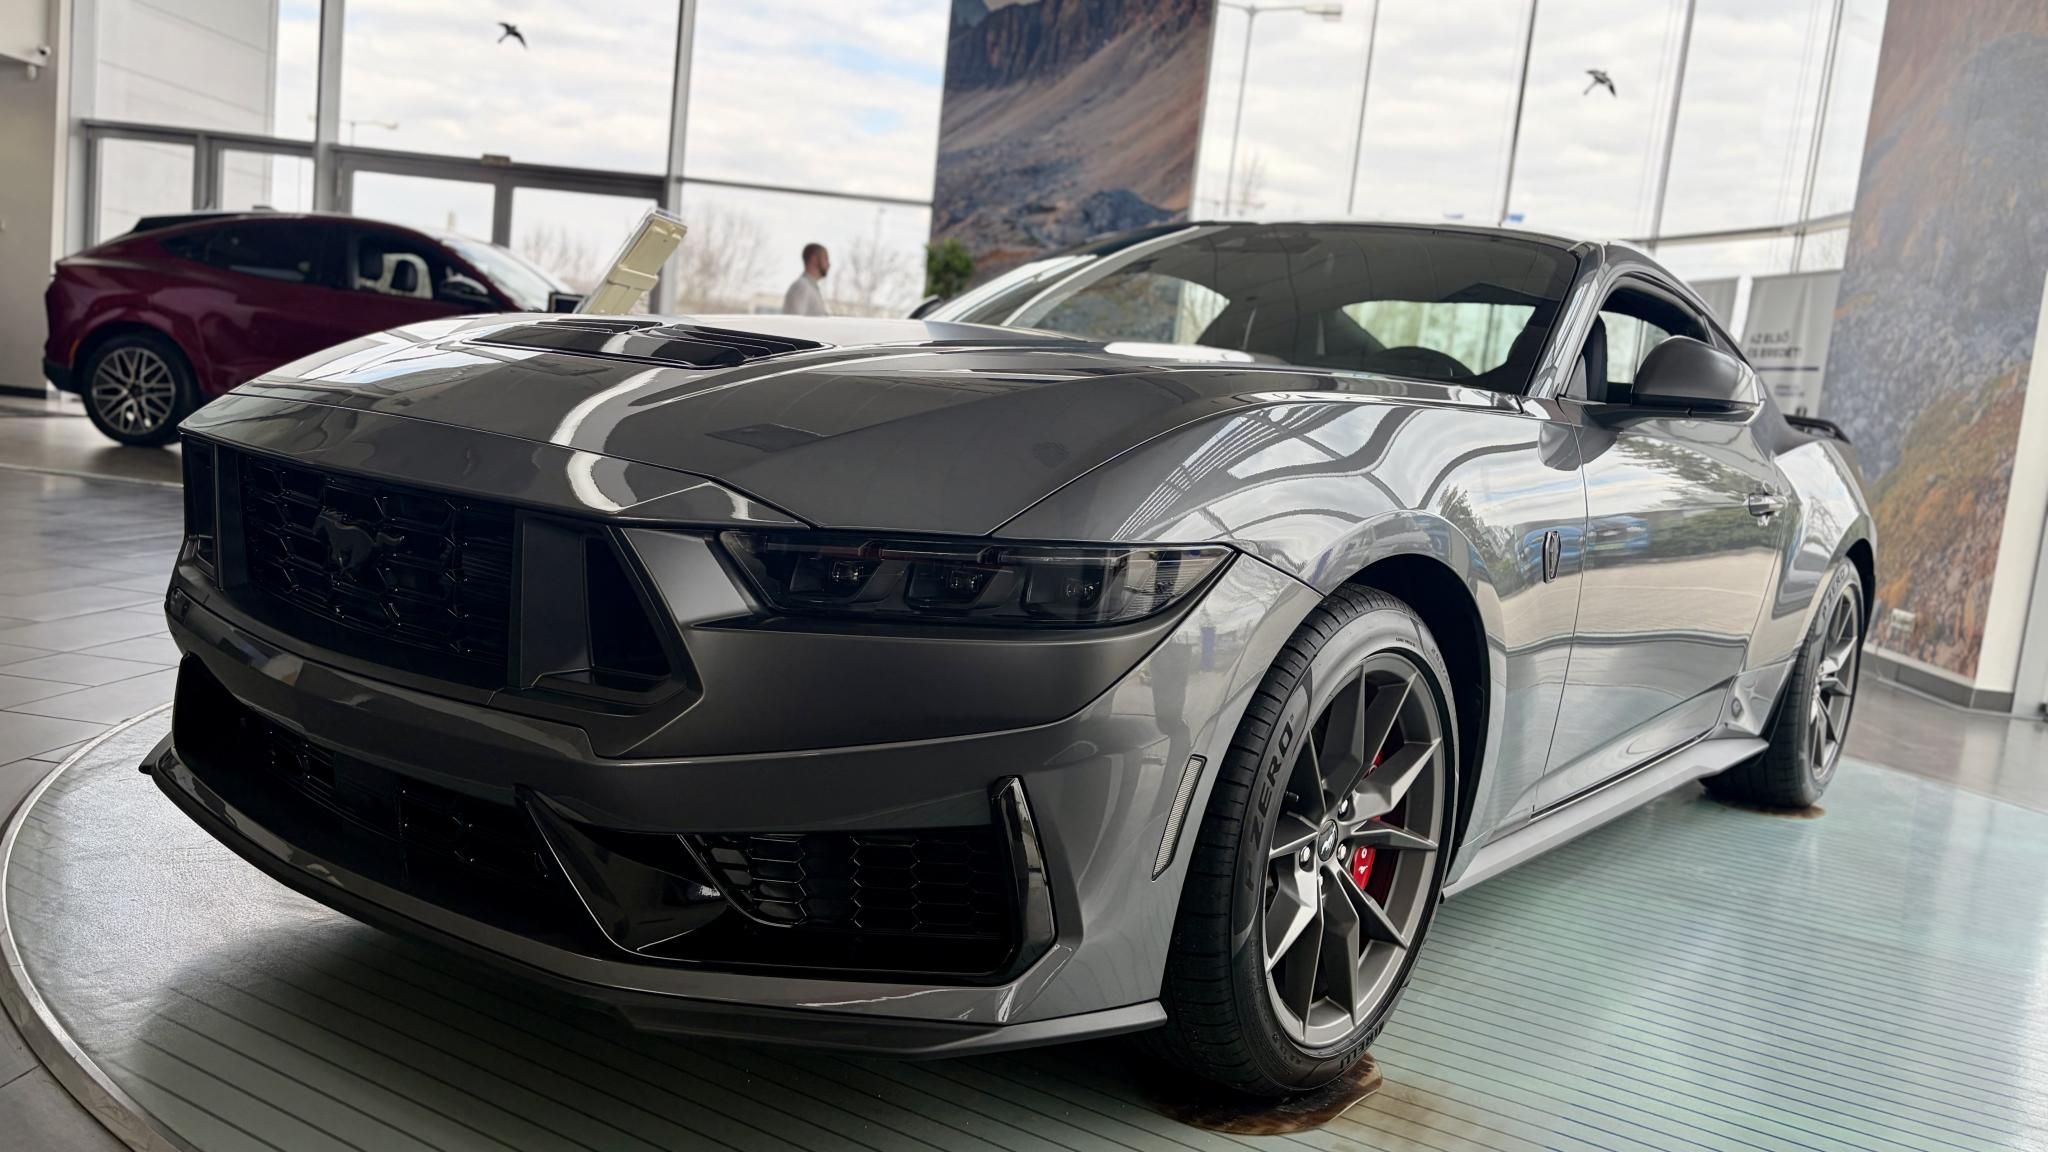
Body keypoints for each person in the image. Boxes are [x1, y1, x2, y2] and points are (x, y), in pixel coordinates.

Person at [781, 243, 830, 316]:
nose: (829, 264)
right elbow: (793, 320)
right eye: (825, 258)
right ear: (814, 259)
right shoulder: (801, 286)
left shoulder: (811, 287)